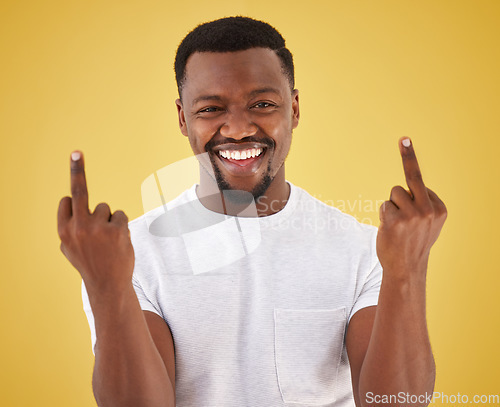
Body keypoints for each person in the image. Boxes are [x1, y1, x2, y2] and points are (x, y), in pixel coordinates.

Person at [57, 16, 447, 407]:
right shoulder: (130, 256)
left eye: (262, 104)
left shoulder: (366, 250)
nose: (240, 129)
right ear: (182, 118)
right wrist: (107, 287)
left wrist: (407, 271)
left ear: (293, 109)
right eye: (211, 108)